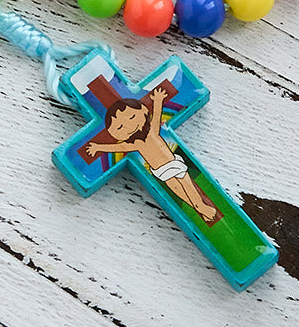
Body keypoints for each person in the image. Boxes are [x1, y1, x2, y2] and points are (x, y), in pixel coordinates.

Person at [85, 87, 220, 224]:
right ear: (114, 134)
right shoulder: (137, 144)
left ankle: (202, 207)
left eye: (132, 117)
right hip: (161, 172)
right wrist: (98, 147)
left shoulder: (151, 133)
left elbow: (156, 118)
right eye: (119, 127)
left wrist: (158, 101)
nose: (128, 126)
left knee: (188, 186)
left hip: (173, 164)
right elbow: (120, 147)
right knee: (179, 191)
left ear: (143, 111)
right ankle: (200, 209)